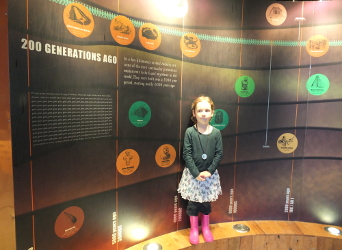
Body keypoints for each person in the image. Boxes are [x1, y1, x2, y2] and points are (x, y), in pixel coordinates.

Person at [178, 95, 223, 244]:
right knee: (193, 204)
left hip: (209, 176)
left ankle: (205, 227)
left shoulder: (216, 133)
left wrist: (209, 171)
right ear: (194, 114)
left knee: (206, 203)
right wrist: (196, 173)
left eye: (207, 110)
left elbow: (219, 154)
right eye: (200, 110)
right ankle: (194, 229)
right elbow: (186, 154)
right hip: (193, 176)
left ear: (212, 113)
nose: (203, 113)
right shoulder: (190, 132)